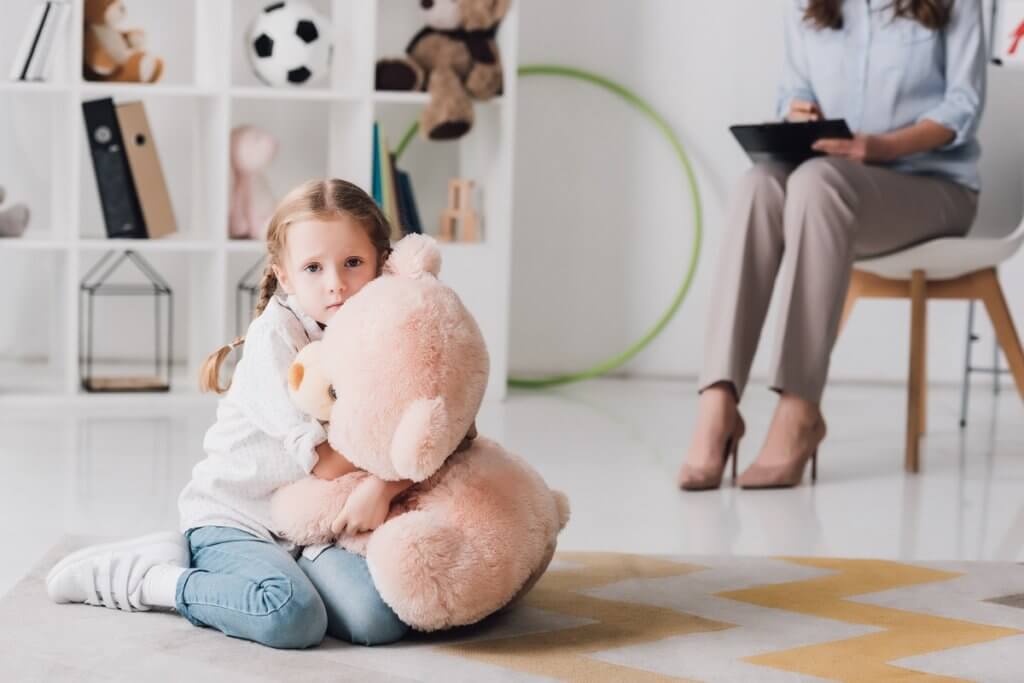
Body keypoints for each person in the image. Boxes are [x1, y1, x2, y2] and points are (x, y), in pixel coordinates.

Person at [46, 179, 467, 648]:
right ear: (285, 276)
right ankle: (153, 578)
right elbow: (330, 462)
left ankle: (281, 576)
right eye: (313, 267)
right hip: (238, 517)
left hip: (313, 528)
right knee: (289, 618)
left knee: (378, 620)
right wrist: (387, 477)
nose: (336, 284)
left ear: (381, 262)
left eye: (352, 262)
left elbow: (445, 430)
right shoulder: (276, 340)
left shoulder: (391, 324)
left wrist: (384, 487)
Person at [679, 0, 986, 490]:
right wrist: (798, 115)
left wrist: (880, 146)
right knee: (758, 184)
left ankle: (800, 409)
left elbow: (963, 106)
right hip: (831, 187)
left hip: (933, 189)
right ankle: (718, 400)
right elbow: (795, 89)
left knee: (820, 184)